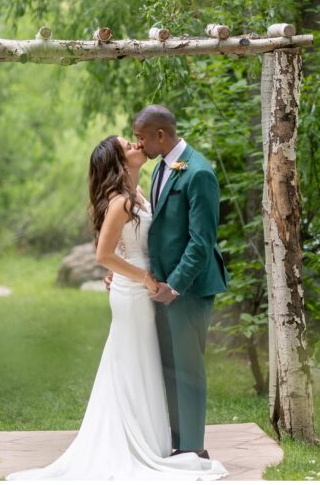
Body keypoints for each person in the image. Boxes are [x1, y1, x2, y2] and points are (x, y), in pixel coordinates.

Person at [6, 134, 227, 481]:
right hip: (134, 292)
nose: (135, 146)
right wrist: (141, 278)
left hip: (138, 289)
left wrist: (129, 273)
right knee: (131, 362)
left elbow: (132, 245)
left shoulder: (137, 193)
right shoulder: (120, 202)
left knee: (141, 363)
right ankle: (128, 443)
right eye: (128, 145)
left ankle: (150, 441)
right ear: (118, 162)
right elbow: (103, 255)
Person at [106, 105, 231, 460]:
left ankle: (194, 447)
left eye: (141, 135)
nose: (138, 142)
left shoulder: (199, 172)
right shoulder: (162, 167)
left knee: (188, 367)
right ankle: (177, 443)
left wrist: (173, 286)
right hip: (160, 288)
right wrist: (126, 268)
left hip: (188, 289)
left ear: (160, 135)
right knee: (170, 367)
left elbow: (201, 241)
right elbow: (154, 232)